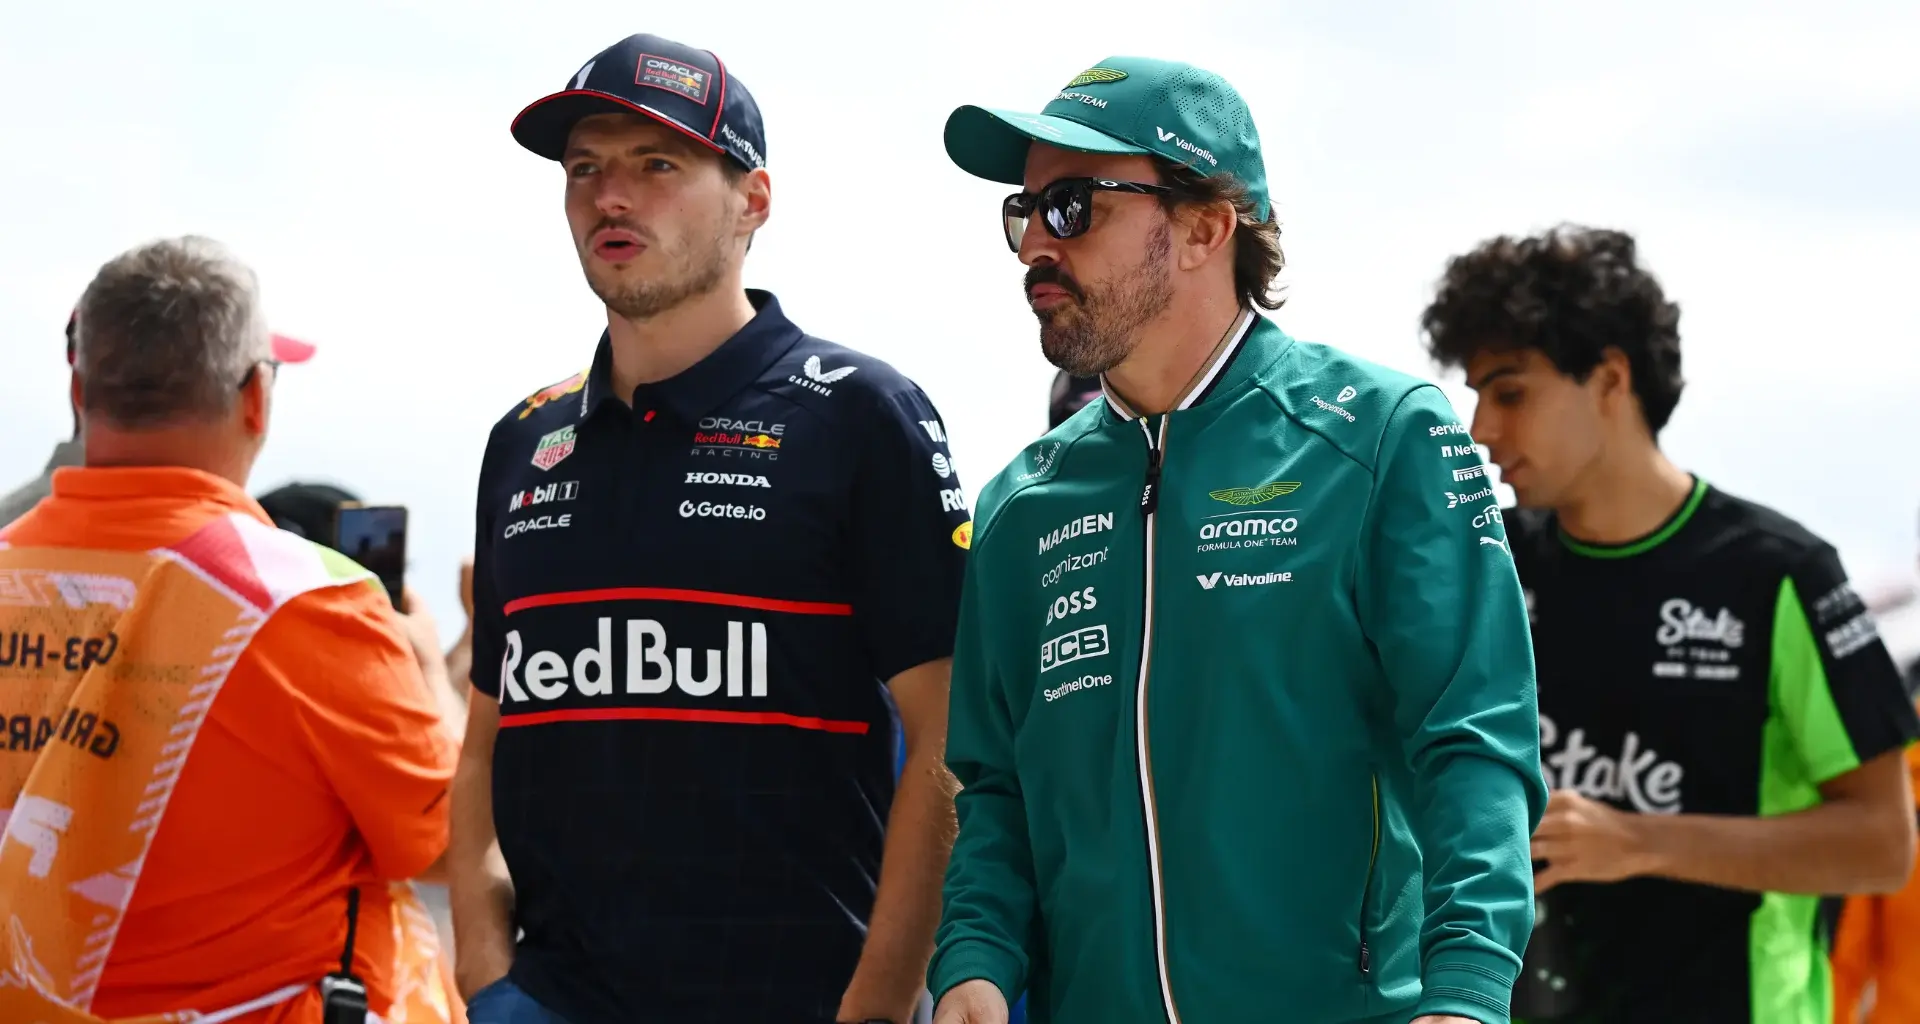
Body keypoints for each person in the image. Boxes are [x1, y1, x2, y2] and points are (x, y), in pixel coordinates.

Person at [930, 56, 1544, 1024]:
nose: (1033, 248)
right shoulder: (1023, 501)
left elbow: (1472, 738)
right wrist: (972, 961)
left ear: (1206, 227)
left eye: (1074, 206)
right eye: (1026, 210)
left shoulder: (1385, 435)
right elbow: (997, 789)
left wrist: (1468, 991)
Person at [450, 33, 971, 1024]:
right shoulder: (524, 440)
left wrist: (877, 1004)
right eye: (585, 170)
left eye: (658, 166)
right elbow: (483, 742)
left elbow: (949, 738)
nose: (611, 198)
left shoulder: (862, 414)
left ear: (753, 201)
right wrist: (485, 969)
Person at [1420, 224, 1920, 1023]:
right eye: (1475, 394)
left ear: (1611, 379)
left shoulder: (1779, 573)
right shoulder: (1489, 563)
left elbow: (1882, 845)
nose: (1480, 428)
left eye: (1510, 392)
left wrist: (1641, 840)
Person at [0, 236, 462, 1023]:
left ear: (79, 389)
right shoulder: (311, 603)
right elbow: (446, 842)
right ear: (257, 398)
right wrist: (433, 673)